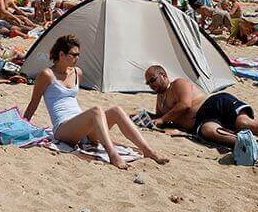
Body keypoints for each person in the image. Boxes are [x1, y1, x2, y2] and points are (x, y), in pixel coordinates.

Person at [24, 35, 168, 169]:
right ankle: (113, 155)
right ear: (61, 55)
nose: (77, 58)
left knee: (116, 110)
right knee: (96, 110)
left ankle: (148, 151)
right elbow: (33, 103)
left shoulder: (77, 72)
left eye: (78, 54)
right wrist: (23, 125)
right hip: (63, 129)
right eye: (74, 55)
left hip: (81, 128)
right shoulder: (47, 75)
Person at [144, 64, 258, 150]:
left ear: (163, 75)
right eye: (148, 83)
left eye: (152, 80)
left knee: (245, 124)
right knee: (209, 131)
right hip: (202, 121)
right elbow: (161, 120)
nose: (151, 85)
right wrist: (146, 117)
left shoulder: (179, 84)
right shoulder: (160, 99)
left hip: (214, 103)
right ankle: (254, 145)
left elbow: (184, 105)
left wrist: (162, 119)